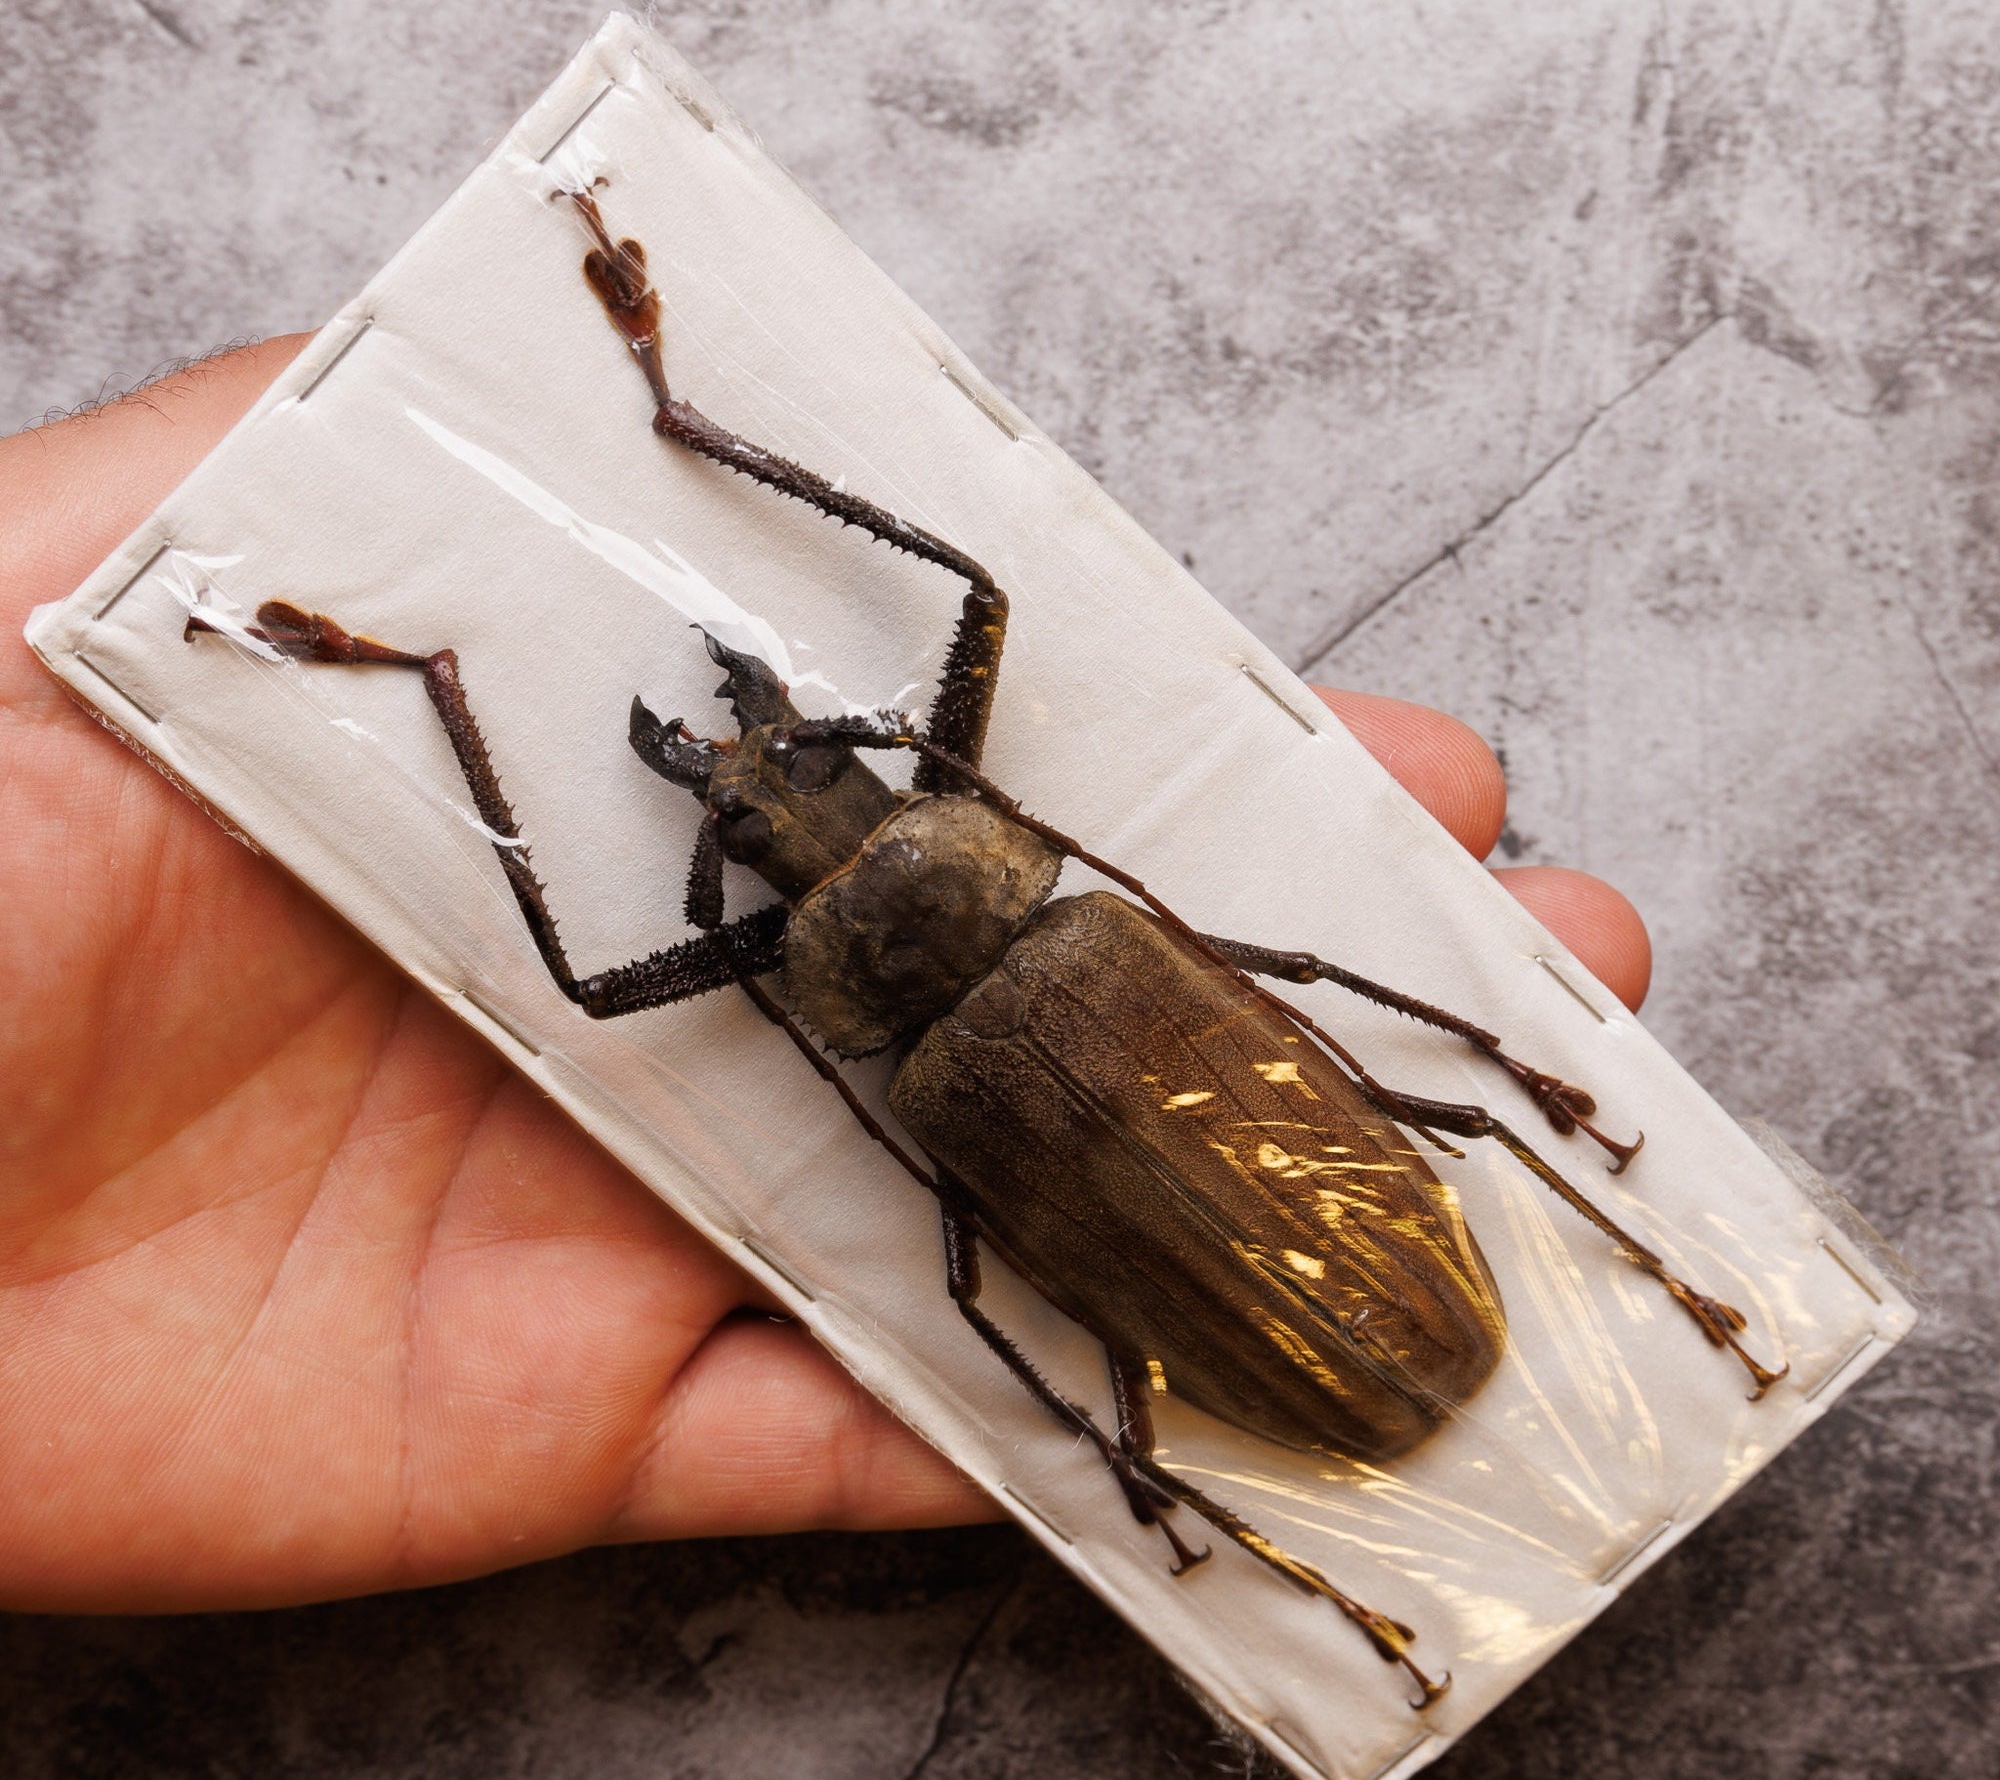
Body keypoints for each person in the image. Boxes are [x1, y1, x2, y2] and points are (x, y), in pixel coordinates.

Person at [0, 338, 1652, 1613]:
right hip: (1267, 1283)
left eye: (771, 784)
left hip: (1283, 1300)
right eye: (767, 789)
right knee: (1047, 692)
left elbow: (584, 983)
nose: (769, 777)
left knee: (951, 1268)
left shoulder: (922, 1046)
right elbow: (982, 612)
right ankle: (678, 415)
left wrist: (437, 676)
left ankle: (1166, 1475)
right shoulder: (1068, 923)